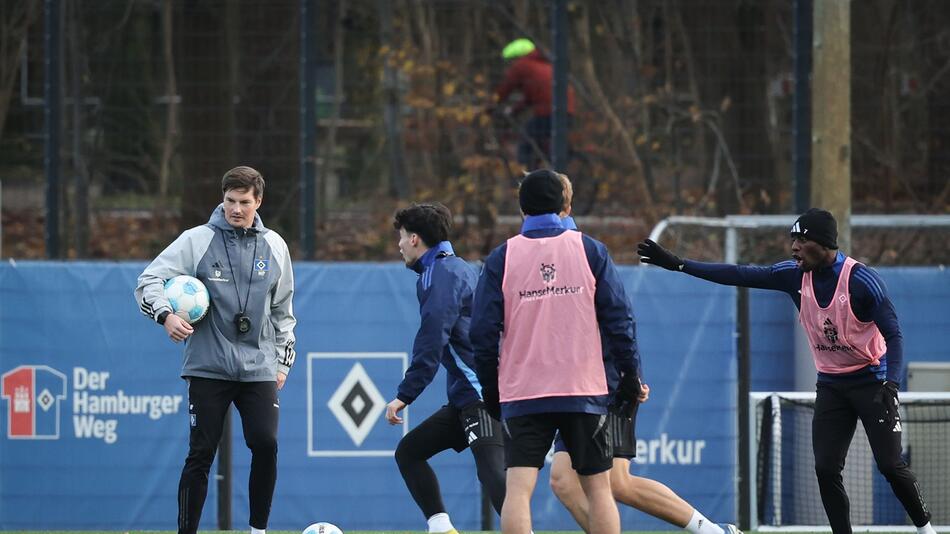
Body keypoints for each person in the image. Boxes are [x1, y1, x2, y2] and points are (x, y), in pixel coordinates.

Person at [637, 209, 936, 534]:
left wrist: (891, 383)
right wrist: (679, 264)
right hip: (833, 386)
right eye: (793, 239)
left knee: (890, 465)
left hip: (872, 382)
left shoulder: (861, 281)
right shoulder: (793, 276)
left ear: (824, 243)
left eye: (802, 239)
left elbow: (894, 334)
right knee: (825, 468)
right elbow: (738, 273)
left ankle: (926, 529)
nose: (794, 247)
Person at [550, 174, 740, 534]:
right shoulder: (529, 253)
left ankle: (713, 531)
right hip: (569, 387)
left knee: (617, 483)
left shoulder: (584, 251)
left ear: (565, 208)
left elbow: (618, 318)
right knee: (562, 479)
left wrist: (628, 376)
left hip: (601, 384)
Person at [471, 169, 641, 534]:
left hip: (525, 391)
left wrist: (492, 390)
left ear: (521, 209)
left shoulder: (502, 257)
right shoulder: (590, 249)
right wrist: (631, 376)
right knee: (598, 489)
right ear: (566, 206)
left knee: (518, 489)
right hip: (583, 388)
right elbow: (620, 320)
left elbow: (482, 333)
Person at [135, 166, 296, 534]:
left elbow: (283, 312)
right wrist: (165, 316)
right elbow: (148, 280)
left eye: (243, 202)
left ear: (258, 202)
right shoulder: (196, 240)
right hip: (208, 365)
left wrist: (283, 363)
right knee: (201, 453)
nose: (235, 209)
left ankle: (258, 531)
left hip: (259, 367)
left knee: (266, 443)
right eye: (229, 201)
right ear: (222, 199)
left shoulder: (275, 246)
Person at [385, 202, 506, 534]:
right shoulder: (459, 268)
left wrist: (404, 395)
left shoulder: (439, 276)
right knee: (409, 452)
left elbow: (432, 338)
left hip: (481, 393)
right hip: (467, 396)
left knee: (492, 471)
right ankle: (441, 528)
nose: (398, 244)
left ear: (414, 239)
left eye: (401, 237)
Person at [494, 38, 576, 166]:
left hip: (549, 112)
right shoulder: (544, 65)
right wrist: (514, 110)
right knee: (545, 145)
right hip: (567, 110)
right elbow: (530, 99)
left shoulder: (522, 65)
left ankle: (527, 177)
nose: (510, 66)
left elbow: (506, 88)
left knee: (526, 141)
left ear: (516, 58)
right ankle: (559, 166)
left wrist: (494, 102)